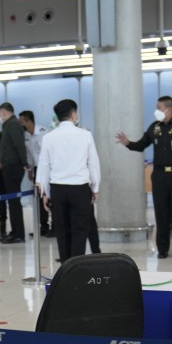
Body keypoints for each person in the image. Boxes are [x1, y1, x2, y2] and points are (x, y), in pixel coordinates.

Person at [116, 96, 172, 259]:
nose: (156, 111)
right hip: (160, 175)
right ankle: (162, 249)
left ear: (168, 109)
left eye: (158, 107)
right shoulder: (155, 127)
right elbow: (142, 144)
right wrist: (128, 143)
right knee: (161, 213)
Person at [35, 99, 101, 263]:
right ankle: (77, 265)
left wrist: (44, 193)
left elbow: (43, 166)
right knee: (80, 230)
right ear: (73, 114)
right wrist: (95, 187)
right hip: (80, 189)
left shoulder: (49, 137)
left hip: (58, 189)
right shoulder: (85, 135)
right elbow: (93, 163)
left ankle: (66, 265)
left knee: (62, 230)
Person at [0, 102, 27, 243]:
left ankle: (18, 234)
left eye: (1, 113)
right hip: (9, 165)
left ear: (5, 112)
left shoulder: (12, 124)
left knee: (14, 201)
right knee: (12, 201)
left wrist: (24, 163)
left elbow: (19, 144)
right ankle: (16, 231)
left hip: (13, 166)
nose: (0, 116)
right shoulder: (10, 124)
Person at [19, 110, 52, 238]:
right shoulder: (26, 135)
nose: (20, 124)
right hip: (37, 170)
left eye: (22, 122)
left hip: (49, 169)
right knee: (39, 199)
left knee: (51, 198)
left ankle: (55, 226)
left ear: (29, 121)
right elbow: (29, 154)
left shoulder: (44, 132)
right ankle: (43, 227)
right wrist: (30, 169)